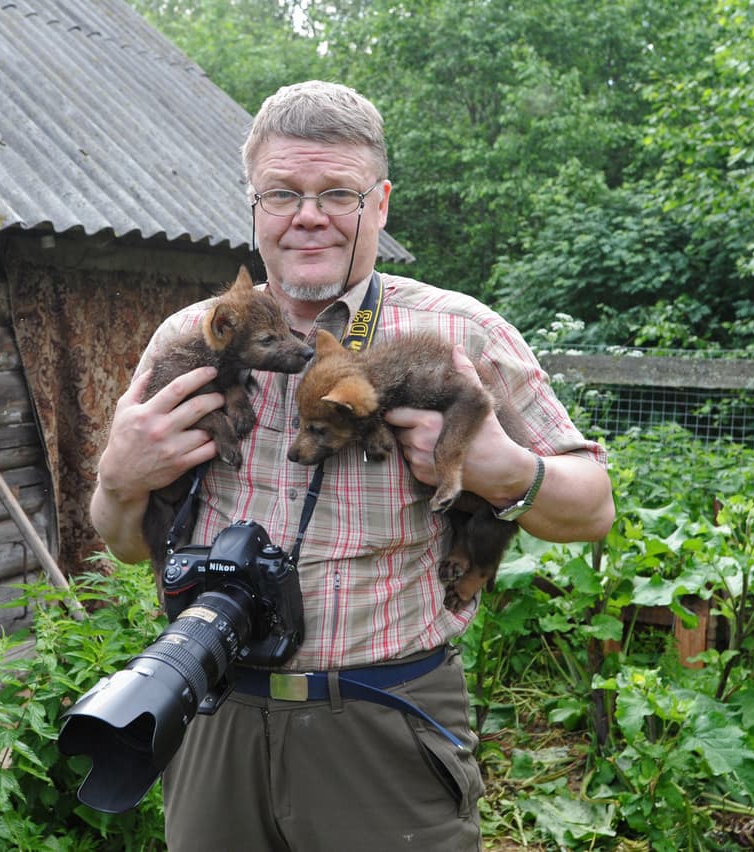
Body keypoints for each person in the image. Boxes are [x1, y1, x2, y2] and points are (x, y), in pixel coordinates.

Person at [90, 80, 614, 851]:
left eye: (338, 192)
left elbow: (593, 509)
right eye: (283, 193)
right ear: (255, 205)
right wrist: (118, 477)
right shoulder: (195, 336)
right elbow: (127, 543)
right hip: (212, 709)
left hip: (384, 721)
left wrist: (503, 468)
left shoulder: (456, 331)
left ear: (380, 203)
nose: (309, 215)